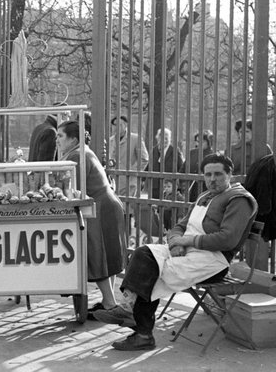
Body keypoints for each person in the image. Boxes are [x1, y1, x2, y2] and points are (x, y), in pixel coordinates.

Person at [94, 153, 257, 351]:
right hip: (186, 251)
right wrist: (175, 244)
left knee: (154, 271)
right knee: (143, 253)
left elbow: (227, 239)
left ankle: (142, 332)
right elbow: (180, 225)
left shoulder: (239, 200)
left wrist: (187, 240)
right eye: (208, 175)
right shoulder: (205, 196)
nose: (212, 179)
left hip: (214, 260)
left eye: (218, 174)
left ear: (230, 174)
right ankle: (129, 306)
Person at [56, 121, 126, 317]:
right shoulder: (82, 151)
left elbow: (74, 190)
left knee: (99, 254)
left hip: (101, 207)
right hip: (108, 205)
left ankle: (111, 304)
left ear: (73, 139)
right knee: (107, 256)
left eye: (60, 136)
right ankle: (108, 302)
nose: (57, 141)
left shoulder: (77, 155)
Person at [108, 116, 149, 197]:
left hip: (129, 181)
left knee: (128, 206)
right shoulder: (110, 140)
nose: (116, 127)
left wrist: (132, 172)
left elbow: (144, 158)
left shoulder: (135, 138)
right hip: (113, 181)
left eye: (119, 125)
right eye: (114, 125)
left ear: (125, 125)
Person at [145, 127, 184, 200]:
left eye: (167, 138)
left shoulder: (175, 150)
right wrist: (143, 178)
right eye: (162, 138)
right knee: (155, 206)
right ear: (158, 139)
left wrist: (178, 182)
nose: (165, 141)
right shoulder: (154, 150)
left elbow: (181, 167)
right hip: (155, 185)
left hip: (169, 185)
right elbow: (149, 165)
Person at [180, 130, 214, 202]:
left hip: (205, 190)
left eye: (202, 142)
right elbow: (183, 168)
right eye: (197, 141)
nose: (199, 144)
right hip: (189, 189)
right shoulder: (192, 153)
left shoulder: (213, 155)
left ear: (209, 142)